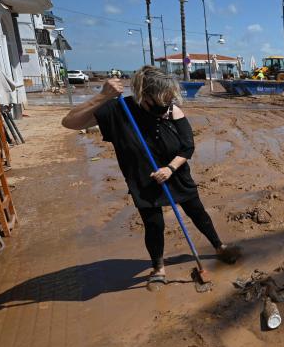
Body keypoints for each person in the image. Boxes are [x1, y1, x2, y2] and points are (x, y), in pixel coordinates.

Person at [61, 66, 239, 287]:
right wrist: (102, 96)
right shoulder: (120, 110)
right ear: (144, 95)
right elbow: (70, 122)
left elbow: (187, 147)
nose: (166, 107)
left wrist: (170, 169)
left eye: (168, 100)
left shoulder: (172, 110)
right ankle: (158, 268)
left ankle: (219, 246)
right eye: (161, 100)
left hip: (175, 173)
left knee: (198, 212)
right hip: (143, 178)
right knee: (154, 225)